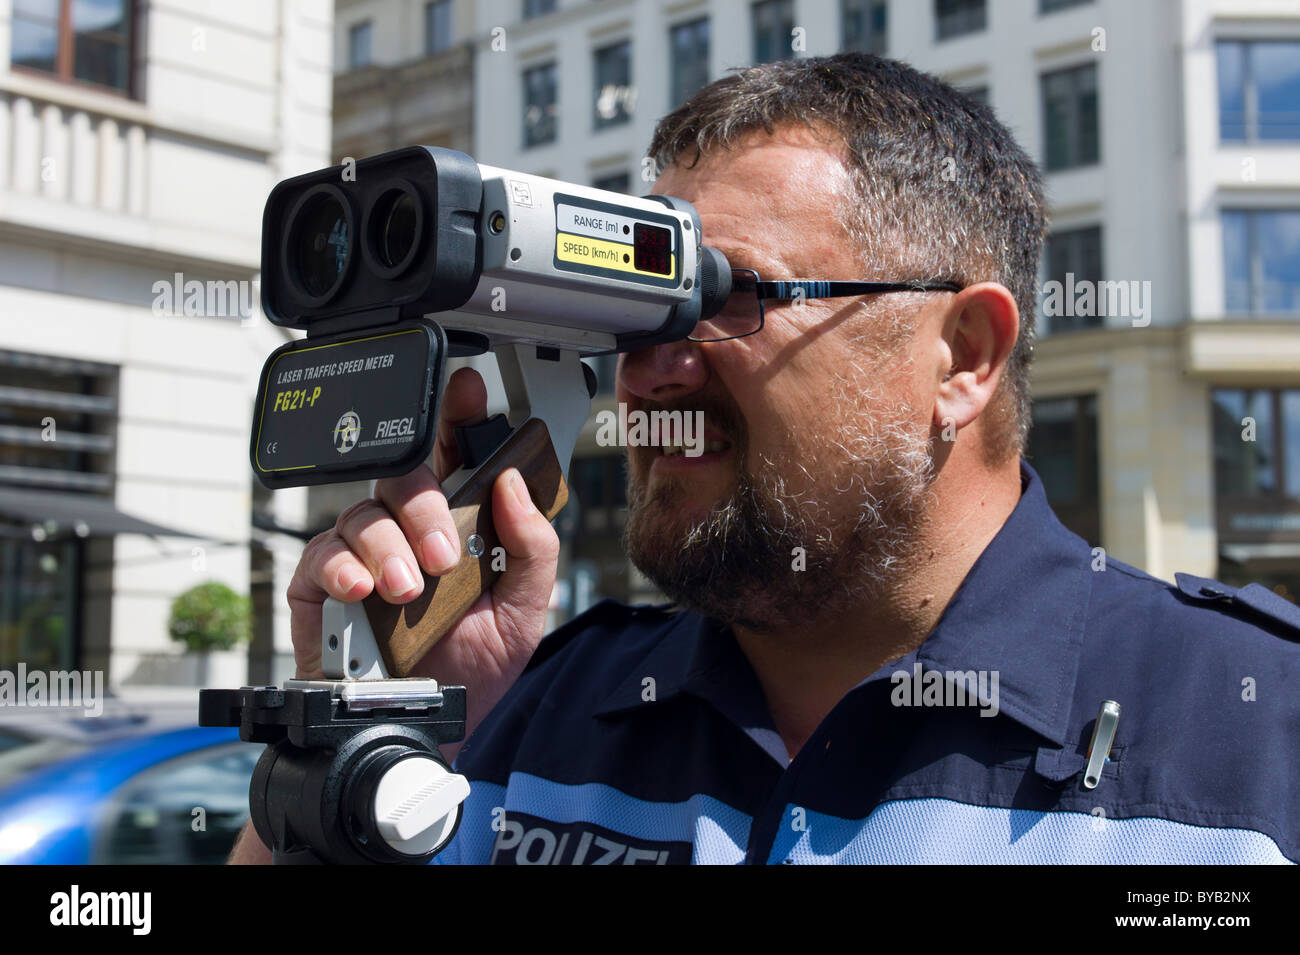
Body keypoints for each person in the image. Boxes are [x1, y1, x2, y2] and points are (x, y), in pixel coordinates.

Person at [231, 53, 1299, 865]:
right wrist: (396, 731)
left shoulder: (1252, 732)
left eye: (728, 297)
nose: (649, 375)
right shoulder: (546, 708)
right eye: (638, 318)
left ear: (963, 356)